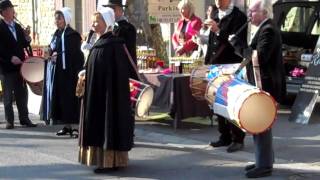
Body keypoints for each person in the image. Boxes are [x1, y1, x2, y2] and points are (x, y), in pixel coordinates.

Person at [78, 7, 134, 173]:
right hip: (98, 92)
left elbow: (118, 73)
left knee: (108, 125)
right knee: (100, 124)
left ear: (107, 23)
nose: (94, 24)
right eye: (94, 21)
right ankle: (105, 160)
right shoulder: (99, 43)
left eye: (98, 21)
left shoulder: (114, 45)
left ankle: (110, 161)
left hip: (110, 96)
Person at [241, 0, 286, 178]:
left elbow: (259, 57)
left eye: (252, 12)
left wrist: (239, 46)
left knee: (261, 124)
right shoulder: (264, 28)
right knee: (260, 125)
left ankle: (265, 165)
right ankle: (263, 160)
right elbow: (253, 51)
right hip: (263, 84)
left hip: (266, 85)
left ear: (264, 13)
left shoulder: (268, 30)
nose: (249, 15)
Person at [205, 0, 247, 153]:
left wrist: (218, 30)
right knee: (218, 102)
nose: (216, 1)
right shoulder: (215, 14)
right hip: (216, 66)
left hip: (232, 65)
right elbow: (211, 42)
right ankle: (224, 136)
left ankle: (237, 139)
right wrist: (208, 62)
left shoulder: (239, 17)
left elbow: (236, 43)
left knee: (232, 103)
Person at [47, 7, 84, 137]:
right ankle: (66, 126)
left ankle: (78, 127)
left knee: (73, 100)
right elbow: (51, 47)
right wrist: (51, 53)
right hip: (60, 73)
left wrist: (61, 55)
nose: (57, 21)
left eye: (60, 18)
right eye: (56, 19)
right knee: (63, 100)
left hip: (71, 73)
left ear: (66, 19)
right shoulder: (57, 34)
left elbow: (76, 55)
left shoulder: (72, 35)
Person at [0, 0, 36, 129]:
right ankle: (9, 121)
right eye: (10, 9)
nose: (13, 11)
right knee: (8, 96)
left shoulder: (17, 26)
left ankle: (24, 119)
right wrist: (10, 58)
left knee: (22, 94)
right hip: (6, 67)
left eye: (12, 9)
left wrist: (27, 38)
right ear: (3, 12)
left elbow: (23, 44)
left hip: (20, 66)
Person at [103, 0, 138, 80]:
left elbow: (124, 52)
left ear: (120, 10)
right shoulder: (111, 27)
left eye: (112, 9)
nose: (109, 12)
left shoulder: (127, 28)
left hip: (124, 72)